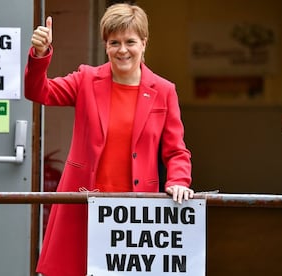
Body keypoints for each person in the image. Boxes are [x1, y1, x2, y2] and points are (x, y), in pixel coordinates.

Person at [24, 3, 194, 275]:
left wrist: (178, 182)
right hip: (83, 202)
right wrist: (40, 54)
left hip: (134, 211)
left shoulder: (164, 90)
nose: (122, 50)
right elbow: (39, 92)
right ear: (105, 45)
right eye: (114, 42)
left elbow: (176, 152)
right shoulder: (86, 79)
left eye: (130, 42)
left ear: (144, 43)